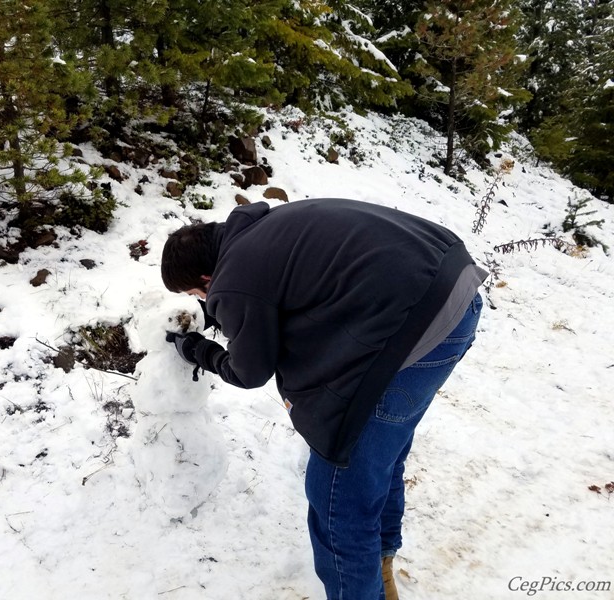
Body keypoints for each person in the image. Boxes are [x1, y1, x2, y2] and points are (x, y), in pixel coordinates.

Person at [161, 198, 487, 600]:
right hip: (455, 291)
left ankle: (362, 586)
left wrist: (195, 349)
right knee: (377, 456)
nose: (203, 300)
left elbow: (249, 371)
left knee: (338, 490)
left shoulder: (235, 276)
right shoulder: (266, 231)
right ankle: (379, 573)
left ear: (208, 276)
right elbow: (277, 288)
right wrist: (222, 311)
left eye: (198, 292)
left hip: (415, 326)